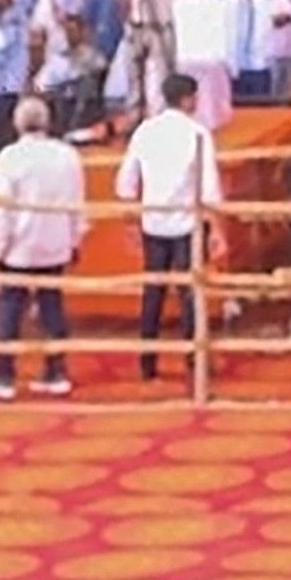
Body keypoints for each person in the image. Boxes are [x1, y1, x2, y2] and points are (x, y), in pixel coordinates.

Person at [0, 95, 86, 398]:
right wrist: (75, 238)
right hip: (55, 242)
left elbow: (3, 211)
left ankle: (3, 376)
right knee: (52, 306)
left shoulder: (9, 157)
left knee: (9, 309)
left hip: (19, 247)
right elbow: (76, 202)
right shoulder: (67, 155)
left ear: (17, 123)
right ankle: (56, 371)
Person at [115, 70, 218, 383]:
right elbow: (210, 188)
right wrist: (217, 226)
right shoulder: (198, 133)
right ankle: (193, 357)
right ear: (188, 99)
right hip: (188, 222)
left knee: (153, 293)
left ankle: (147, 359)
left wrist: (132, 218)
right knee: (190, 293)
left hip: (154, 221)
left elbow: (125, 183)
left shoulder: (146, 131)